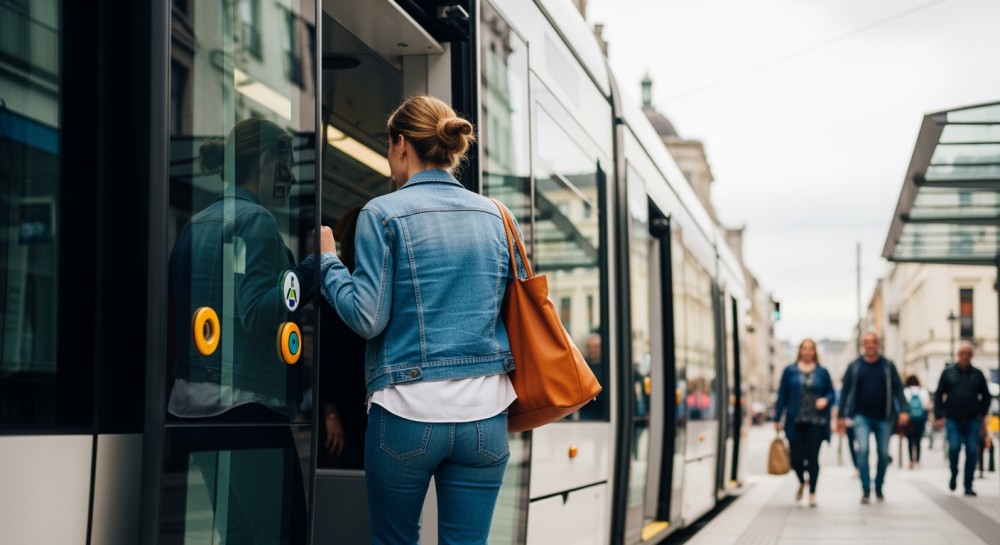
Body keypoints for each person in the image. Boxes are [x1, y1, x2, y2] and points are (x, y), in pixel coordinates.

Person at [317, 95, 517, 544]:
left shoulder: (382, 214)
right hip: (486, 420)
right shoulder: (498, 217)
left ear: (401, 144)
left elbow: (366, 318)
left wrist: (328, 264)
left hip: (407, 415)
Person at [168, 117, 313, 542]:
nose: (289, 176)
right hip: (246, 407)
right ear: (266, 160)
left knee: (237, 534)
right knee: (281, 532)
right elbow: (257, 311)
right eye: (285, 165)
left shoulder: (196, 224)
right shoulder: (258, 222)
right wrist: (308, 272)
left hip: (193, 406)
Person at [837, 332, 908, 504]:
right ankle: (866, 488)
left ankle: (879, 486)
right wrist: (840, 415)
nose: (870, 345)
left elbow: (898, 389)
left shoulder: (887, 366)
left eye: (873, 342)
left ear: (878, 344)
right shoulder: (854, 366)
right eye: (867, 342)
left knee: (883, 454)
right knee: (863, 451)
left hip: (884, 417)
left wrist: (904, 410)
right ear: (863, 345)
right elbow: (845, 391)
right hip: (861, 417)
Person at [774, 339, 835, 507]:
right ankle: (802, 480)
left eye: (810, 349)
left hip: (816, 421)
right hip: (795, 421)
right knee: (795, 458)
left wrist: (826, 400)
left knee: (813, 457)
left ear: (814, 352)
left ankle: (813, 493)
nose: (807, 352)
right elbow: (782, 396)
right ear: (800, 351)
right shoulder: (789, 371)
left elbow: (832, 394)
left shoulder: (822, 372)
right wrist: (777, 418)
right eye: (804, 349)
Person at [934, 341, 991, 496]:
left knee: (972, 451)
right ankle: (954, 474)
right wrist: (939, 415)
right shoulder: (948, 372)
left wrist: (982, 413)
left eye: (968, 354)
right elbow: (938, 395)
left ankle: (968, 484)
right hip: (953, 418)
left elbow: (986, 396)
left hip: (973, 419)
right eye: (962, 353)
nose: (965, 356)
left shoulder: (977, 374)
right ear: (957, 355)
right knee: (954, 448)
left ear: (971, 356)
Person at [902, 375, 931, 468]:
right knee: (918, 440)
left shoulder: (906, 391)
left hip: (909, 419)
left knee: (910, 440)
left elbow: (904, 405)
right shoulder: (922, 391)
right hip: (920, 419)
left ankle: (911, 461)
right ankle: (917, 461)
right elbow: (926, 405)